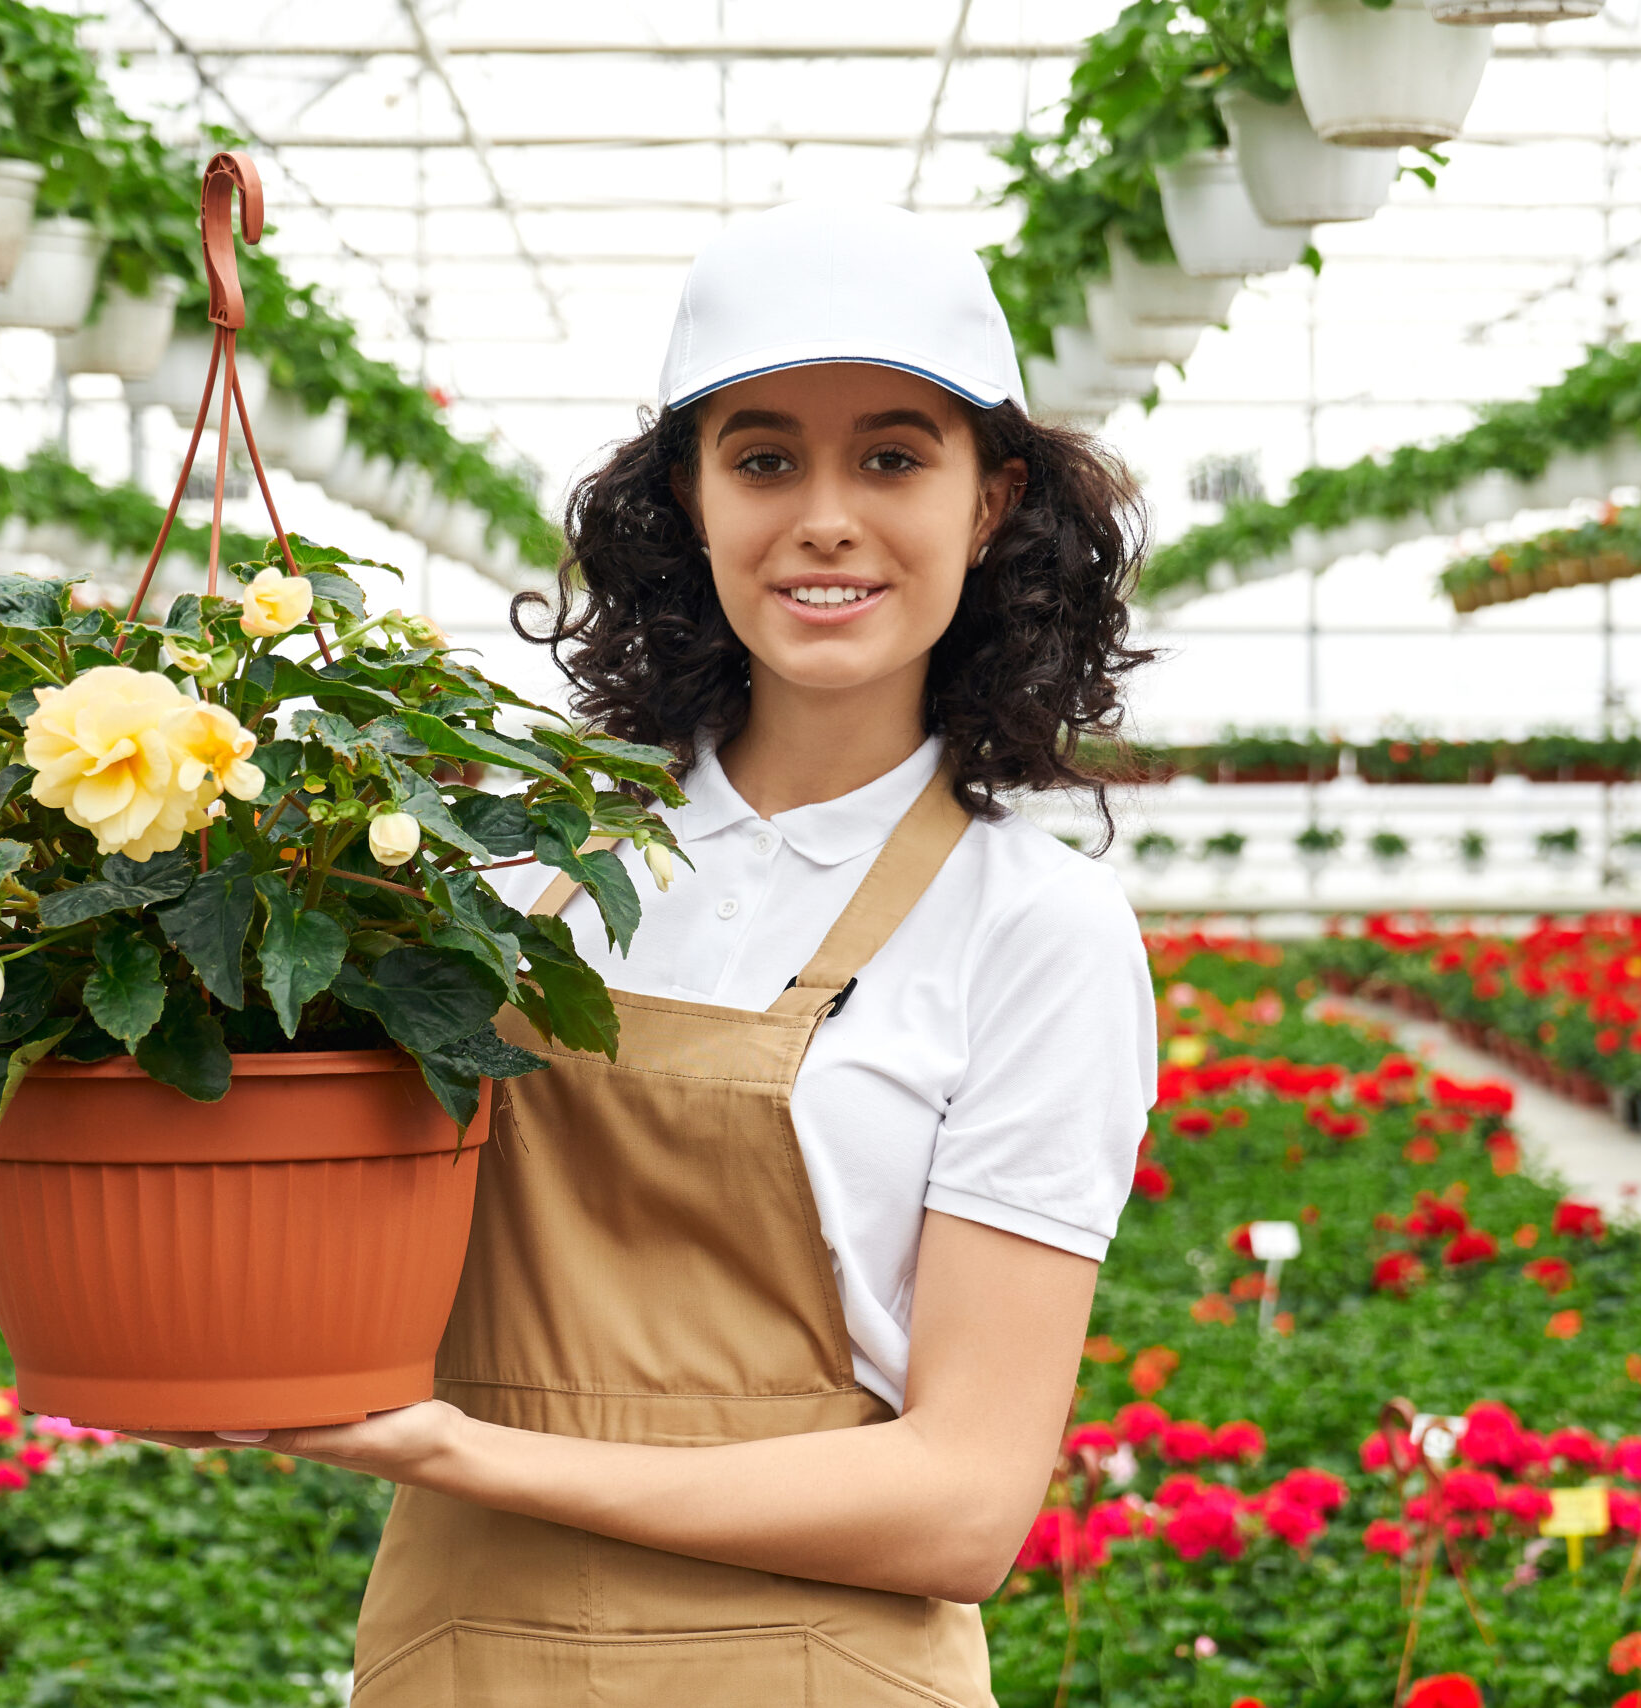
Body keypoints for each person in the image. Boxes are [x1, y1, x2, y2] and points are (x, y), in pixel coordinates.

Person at [187, 200, 1158, 1705]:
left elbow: (966, 1504)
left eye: (893, 457)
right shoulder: (508, 863)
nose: (824, 516)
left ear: (990, 503)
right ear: (691, 505)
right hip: (461, 1659)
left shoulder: (1031, 927)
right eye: (765, 458)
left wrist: (468, 1453)